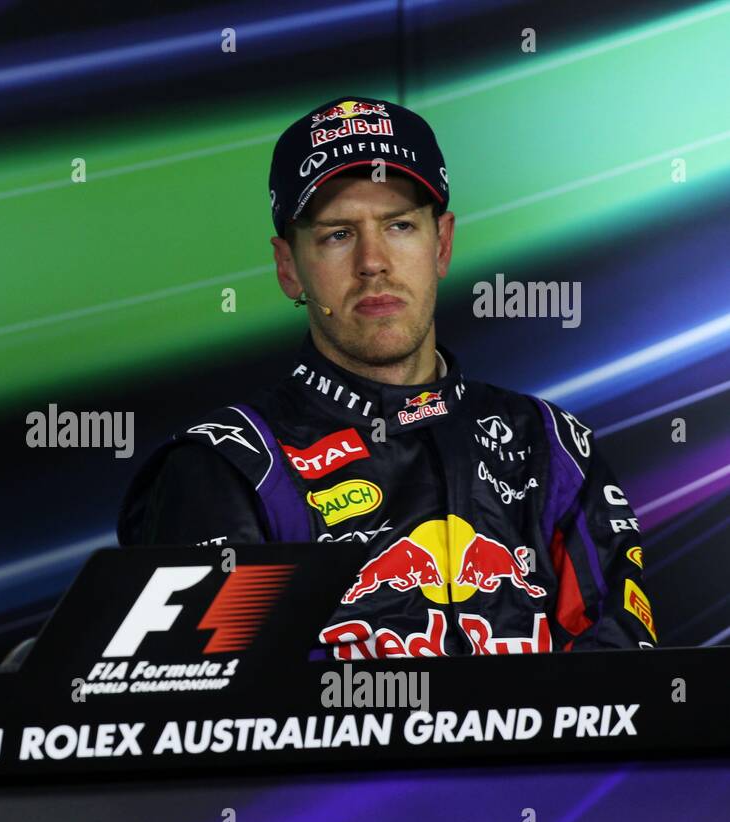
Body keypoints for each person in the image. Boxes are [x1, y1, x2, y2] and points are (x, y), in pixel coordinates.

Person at [118, 96, 656, 657]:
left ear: (441, 244)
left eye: (399, 225)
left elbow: (619, 692)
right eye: (337, 234)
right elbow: (211, 717)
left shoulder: (551, 446)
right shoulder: (229, 468)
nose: (372, 261)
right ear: (288, 267)